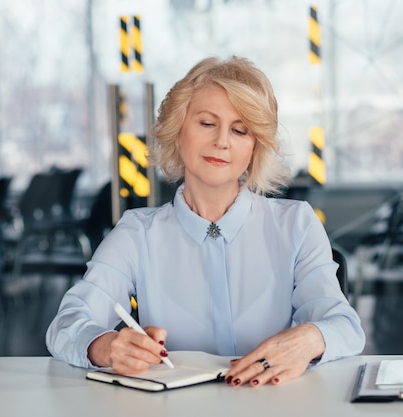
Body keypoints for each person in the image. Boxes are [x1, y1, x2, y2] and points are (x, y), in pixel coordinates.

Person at [46, 56, 365, 387]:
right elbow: (67, 324)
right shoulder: (137, 233)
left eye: (240, 130)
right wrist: (106, 347)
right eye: (207, 123)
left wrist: (309, 339)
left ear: (255, 147)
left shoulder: (296, 224)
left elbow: (344, 326)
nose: (222, 141)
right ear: (178, 129)